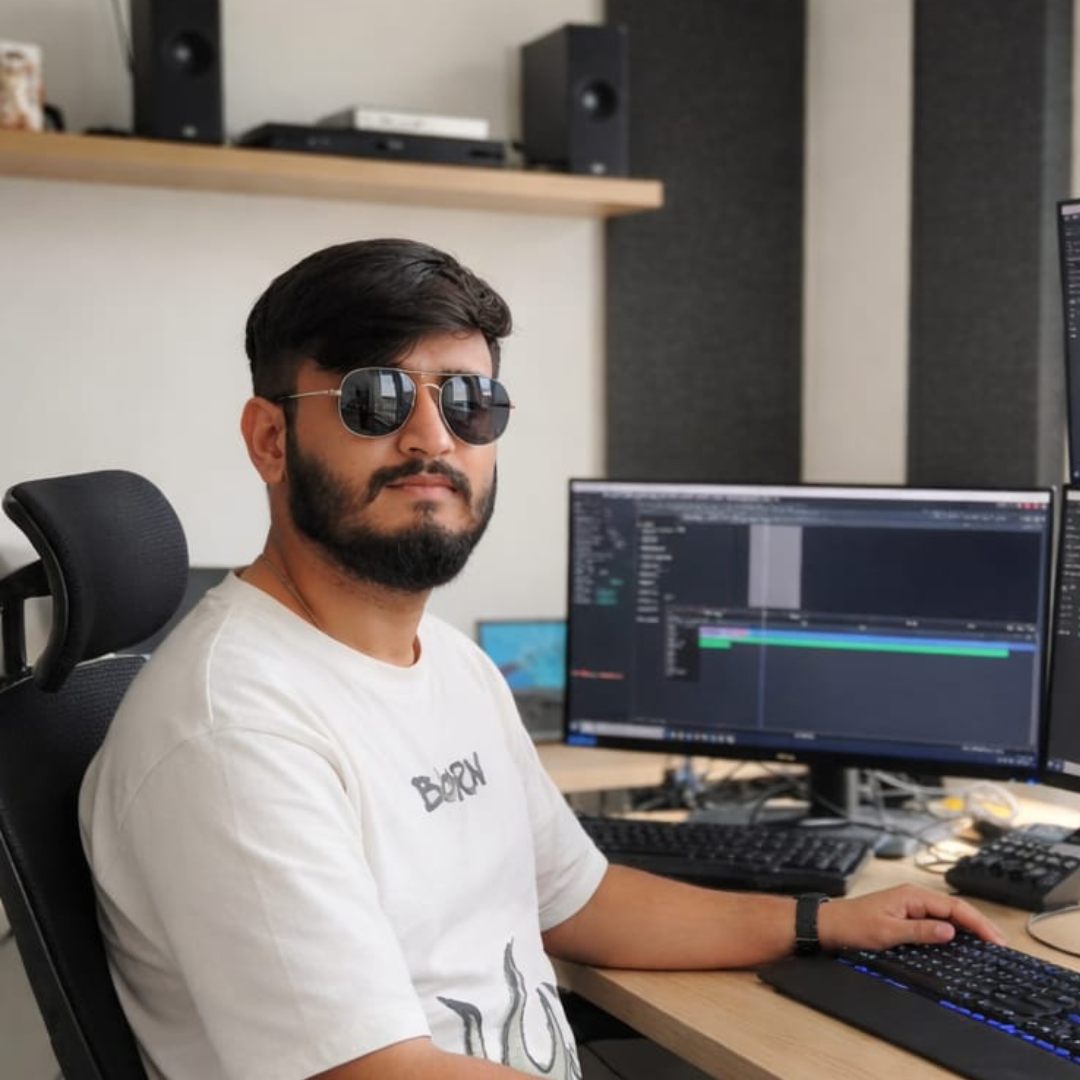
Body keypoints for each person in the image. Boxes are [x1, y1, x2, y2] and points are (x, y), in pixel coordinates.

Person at [79, 238, 1004, 1080]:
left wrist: (817, 923)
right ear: (270, 438)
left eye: (469, 403)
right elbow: (371, 1075)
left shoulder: (447, 665)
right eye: (377, 398)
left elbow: (578, 901)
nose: (434, 439)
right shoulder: (234, 730)